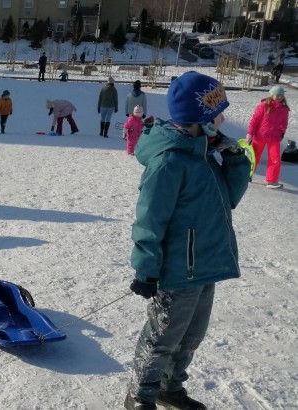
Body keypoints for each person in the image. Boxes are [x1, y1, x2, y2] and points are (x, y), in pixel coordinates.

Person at [124, 71, 250, 410]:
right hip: (177, 269)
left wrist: (235, 160)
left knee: (190, 337)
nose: (223, 118)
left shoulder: (204, 153)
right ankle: (141, 395)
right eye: (217, 112)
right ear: (200, 117)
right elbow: (149, 219)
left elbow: (229, 199)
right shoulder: (170, 161)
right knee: (163, 338)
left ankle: (170, 387)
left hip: (206, 263)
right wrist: (146, 269)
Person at [246, 85, 290, 189]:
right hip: (260, 136)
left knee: (275, 160)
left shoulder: (284, 109)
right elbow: (254, 121)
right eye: (277, 95)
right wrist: (249, 134)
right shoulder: (263, 106)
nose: (279, 97)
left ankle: (272, 181)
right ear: (271, 95)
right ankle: (246, 175)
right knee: (254, 157)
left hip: (274, 138)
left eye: (281, 95)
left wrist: (282, 133)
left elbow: (284, 123)